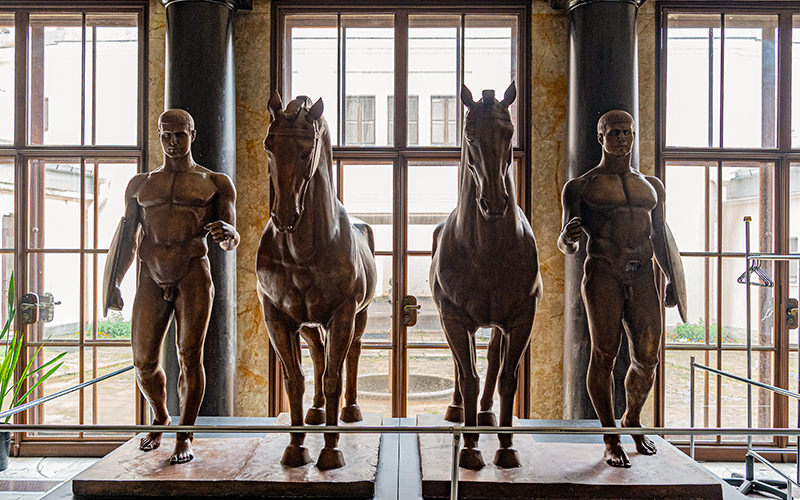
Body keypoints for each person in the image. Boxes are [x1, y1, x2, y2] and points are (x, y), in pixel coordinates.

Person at [102, 109, 239, 464]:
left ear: (193, 134)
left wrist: (230, 235)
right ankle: (161, 416)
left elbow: (230, 237)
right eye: (166, 135)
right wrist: (115, 282)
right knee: (144, 361)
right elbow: (128, 240)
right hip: (150, 273)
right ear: (159, 136)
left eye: (179, 134)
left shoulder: (215, 182)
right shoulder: (140, 184)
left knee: (189, 357)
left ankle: (185, 434)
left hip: (193, 273)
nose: (173, 142)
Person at [558, 110, 686, 468]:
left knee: (648, 358)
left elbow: (659, 236)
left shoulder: (652, 187)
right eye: (613, 132)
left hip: (644, 274)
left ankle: (632, 418)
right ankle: (610, 436)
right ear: (600, 137)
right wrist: (567, 238)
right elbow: (566, 243)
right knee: (604, 354)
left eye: (627, 132)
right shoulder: (581, 186)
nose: (621, 138)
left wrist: (672, 278)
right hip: (603, 273)